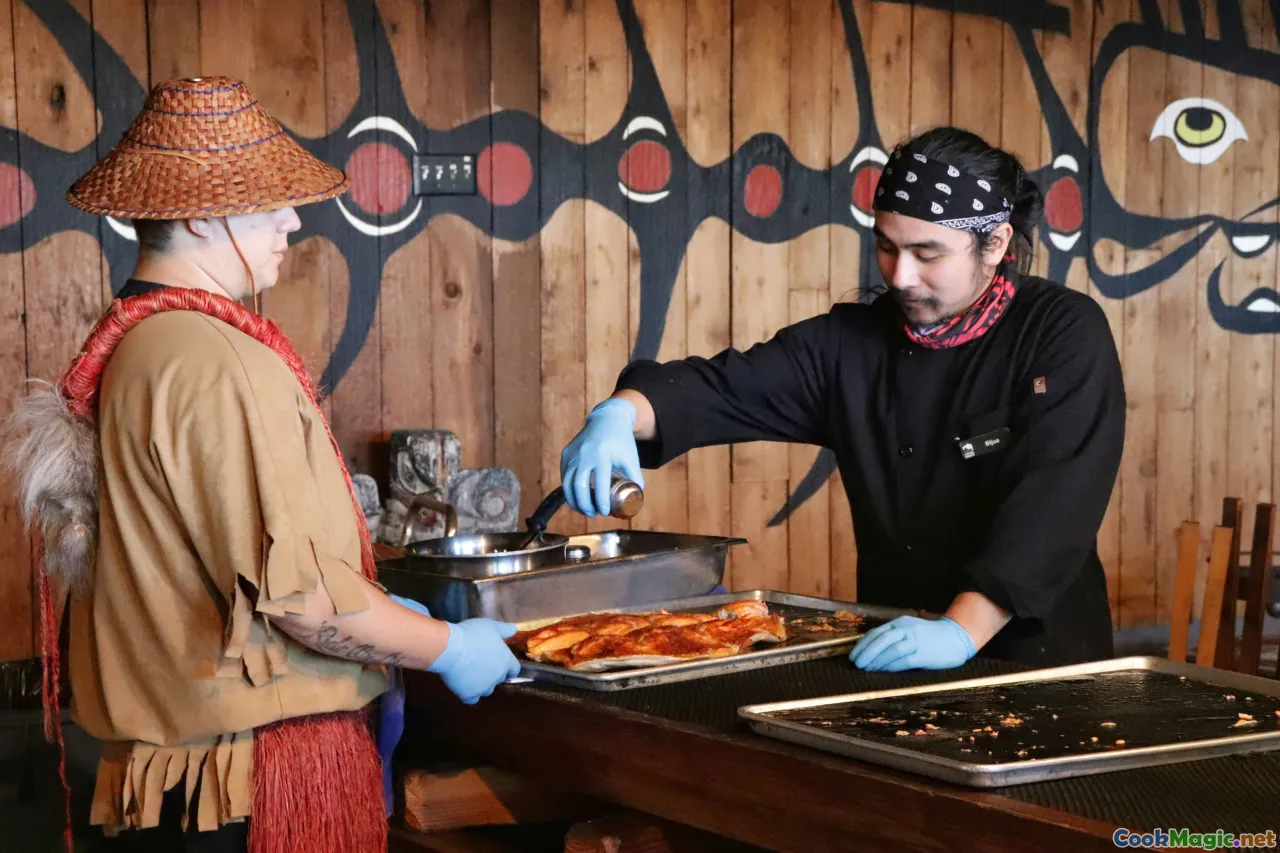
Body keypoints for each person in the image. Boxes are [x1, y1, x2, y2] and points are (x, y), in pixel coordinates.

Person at [0, 76, 518, 853]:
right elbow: (307, 605)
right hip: (246, 797)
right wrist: (450, 647)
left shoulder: (135, 346)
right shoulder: (215, 359)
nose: (293, 219)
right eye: (266, 199)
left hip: (178, 788)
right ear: (202, 216)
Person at [559, 126, 1125, 672]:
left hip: (1040, 662)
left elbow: (1059, 498)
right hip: (892, 646)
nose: (900, 276)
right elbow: (727, 385)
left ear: (995, 242)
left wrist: (961, 630)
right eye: (886, 246)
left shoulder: (1060, 332)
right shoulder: (851, 344)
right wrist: (621, 413)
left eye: (927, 254)